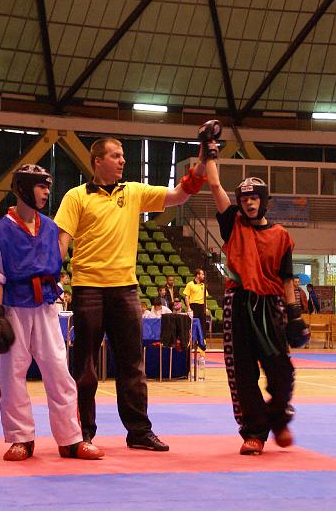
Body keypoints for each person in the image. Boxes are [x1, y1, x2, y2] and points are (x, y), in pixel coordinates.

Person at [54, 135, 209, 452]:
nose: (123, 160)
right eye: (115, 155)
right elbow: (61, 241)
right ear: (98, 161)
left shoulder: (134, 192)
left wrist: (203, 161)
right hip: (87, 288)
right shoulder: (75, 196)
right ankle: (80, 434)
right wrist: (51, 277)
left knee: (133, 365)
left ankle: (138, 431)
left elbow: (180, 195)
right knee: (84, 366)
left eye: (123, 155)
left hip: (125, 289)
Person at [0, 163, 103, 462]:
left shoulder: (50, 227)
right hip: (14, 306)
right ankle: (21, 438)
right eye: (41, 186)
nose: (47, 192)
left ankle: (71, 440)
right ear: (23, 188)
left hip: (47, 305)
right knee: (12, 373)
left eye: (48, 186)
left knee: (58, 370)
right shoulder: (2, 230)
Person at [202, 123, 307, 456]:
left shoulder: (282, 236)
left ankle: (278, 416)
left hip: (271, 305)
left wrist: (295, 315)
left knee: (282, 370)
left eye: (254, 198)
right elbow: (215, 185)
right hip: (238, 303)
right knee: (242, 373)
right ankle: (254, 433)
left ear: (265, 202)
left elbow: (287, 279)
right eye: (244, 199)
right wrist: (209, 152)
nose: (249, 204)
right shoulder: (232, 224)